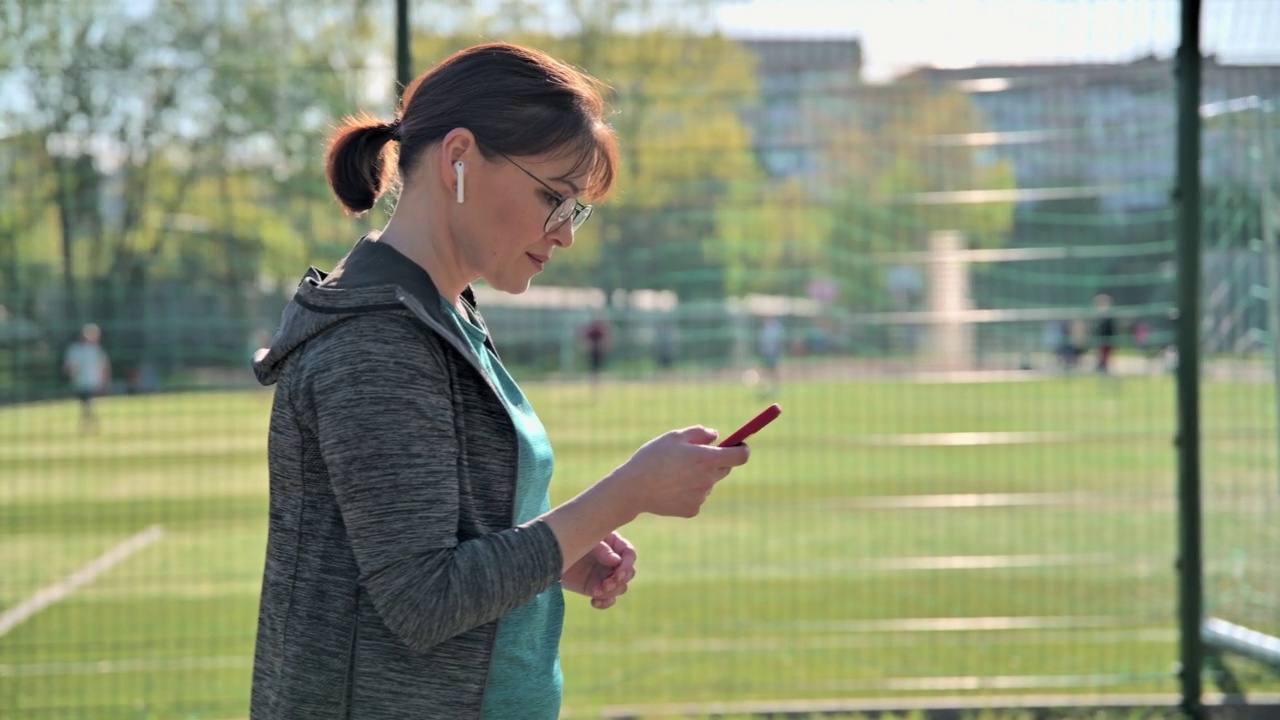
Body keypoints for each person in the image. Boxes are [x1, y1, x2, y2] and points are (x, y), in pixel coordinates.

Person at [248, 43, 751, 720]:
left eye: (576, 209)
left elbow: (439, 546)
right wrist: (624, 496)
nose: (565, 234)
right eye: (553, 197)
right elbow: (424, 600)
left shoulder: (445, 313)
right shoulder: (376, 342)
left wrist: (556, 554)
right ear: (458, 158)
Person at [63, 323, 110, 431]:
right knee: (85, 405)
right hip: (79, 382)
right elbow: (69, 366)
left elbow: (104, 366)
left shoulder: (97, 351)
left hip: (93, 383)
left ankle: (88, 424)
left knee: (87, 404)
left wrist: (104, 381)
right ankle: (90, 423)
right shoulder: (75, 350)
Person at [758, 315, 784, 396]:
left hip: (773, 352)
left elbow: (780, 339)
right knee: (764, 371)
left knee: (774, 371)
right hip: (765, 352)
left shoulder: (776, 326)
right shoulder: (763, 326)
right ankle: (765, 389)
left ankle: (775, 388)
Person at [1092, 293, 1117, 375]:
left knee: (1105, 356)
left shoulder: (1108, 315)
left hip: (1108, 339)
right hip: (1101, 340)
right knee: (1101, 355)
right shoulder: (1098, 315)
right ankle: (1101, 367)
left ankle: (1103, 368)